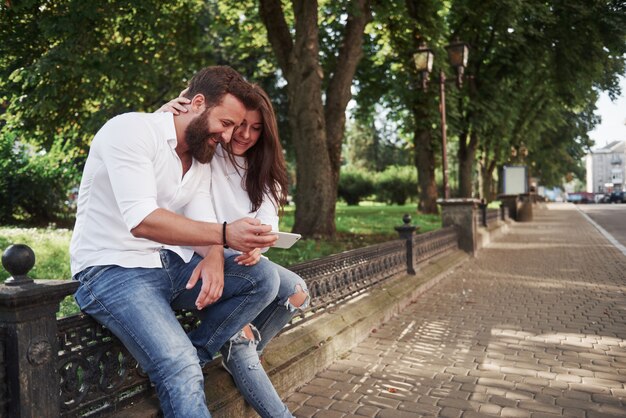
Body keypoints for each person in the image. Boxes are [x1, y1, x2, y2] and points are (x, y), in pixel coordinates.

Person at [70, 66, 281, 418]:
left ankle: (189, 355)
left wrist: (214, 255)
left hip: (165, 265)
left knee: (263, 279)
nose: (229, 137)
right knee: (179, 366)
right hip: (111, 270)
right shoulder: (130, 130)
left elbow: (202, 223)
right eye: (226, 124)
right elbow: (142, 220)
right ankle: (180, 365)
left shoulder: (198, 156)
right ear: (197, 103)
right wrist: (226, 235)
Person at [159, 85, 309, 418]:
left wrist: (260, 244)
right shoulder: (212, 148)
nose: (243, 134)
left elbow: (267, 222)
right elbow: (180, 130)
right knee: (244, 334)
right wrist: (164, 110)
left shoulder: (264, 169)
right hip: (202, 251)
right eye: (240, 124)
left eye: (256, 128)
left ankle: (237, 345)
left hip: (242, 255)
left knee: (298, 292)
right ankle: (231, 347)